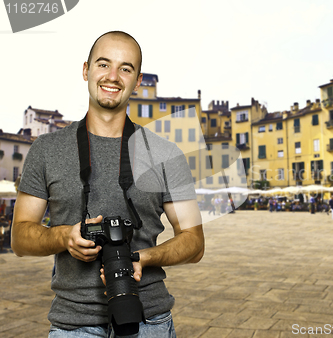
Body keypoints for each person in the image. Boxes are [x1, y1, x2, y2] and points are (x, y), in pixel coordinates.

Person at [12, 31, 204, 337]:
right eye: (104, 65)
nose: (113, 76)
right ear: (86, 69)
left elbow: (194, 242)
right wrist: (65, 237)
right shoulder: (47, 149)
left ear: (138, 81)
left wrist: (141, 257)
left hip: (150, 319)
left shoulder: (167, 153)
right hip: (73, 323)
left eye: (125, 69)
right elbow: (20, 238)